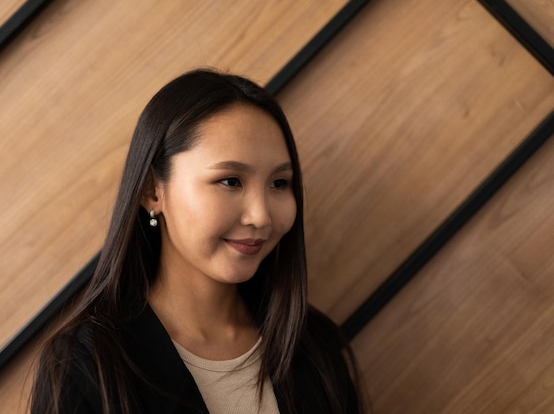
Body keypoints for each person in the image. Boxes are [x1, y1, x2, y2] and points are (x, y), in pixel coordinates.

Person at [30, 69, 366, 414]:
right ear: (151, 191)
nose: (261, 216)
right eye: (230, 180)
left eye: (279, 183)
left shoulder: (314, 344)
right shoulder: (88, 364)